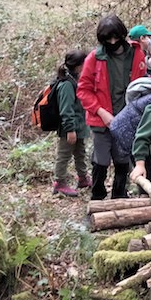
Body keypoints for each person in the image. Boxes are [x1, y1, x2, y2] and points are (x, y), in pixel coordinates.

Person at [77, 15, 147, 200]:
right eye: (108, 39)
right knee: (101, 159)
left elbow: (142, 87)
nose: (113, 42)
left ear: (123, 35)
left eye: (116, 37)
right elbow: (83, 90)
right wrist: (101, 112)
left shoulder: (136, 55)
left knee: (122, 159)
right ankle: (97, 196)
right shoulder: (94, 58)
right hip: (100, 119)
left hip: (127, 117)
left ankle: (119, 195)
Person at [52, 49, 91, 197]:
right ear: (78, 65)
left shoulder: (75, 80)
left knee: (80, 153)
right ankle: (59, 183)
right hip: (69, 129)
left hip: (79, 127)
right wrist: (70, 129)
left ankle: (83, 178)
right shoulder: (67, 85)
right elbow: (66, 110)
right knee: (64, 155)